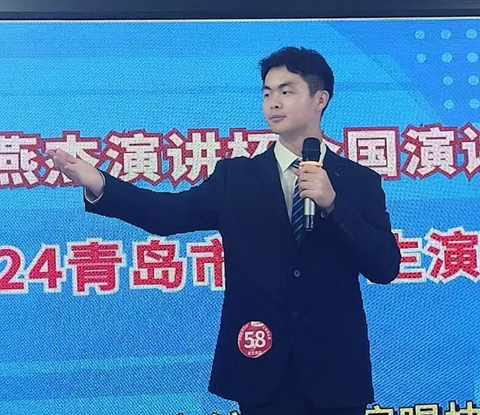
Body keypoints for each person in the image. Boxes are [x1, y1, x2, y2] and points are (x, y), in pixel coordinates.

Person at [48, 46, 400, 415]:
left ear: (320, 99)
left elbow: (385, 266)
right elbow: (165, 215)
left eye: (287, 91)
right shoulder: (237, 178)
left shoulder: (359, 182)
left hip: (336, 373)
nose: (274, 102)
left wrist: (333, 205)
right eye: (267, 93)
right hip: (261, 364)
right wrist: (100, 183)